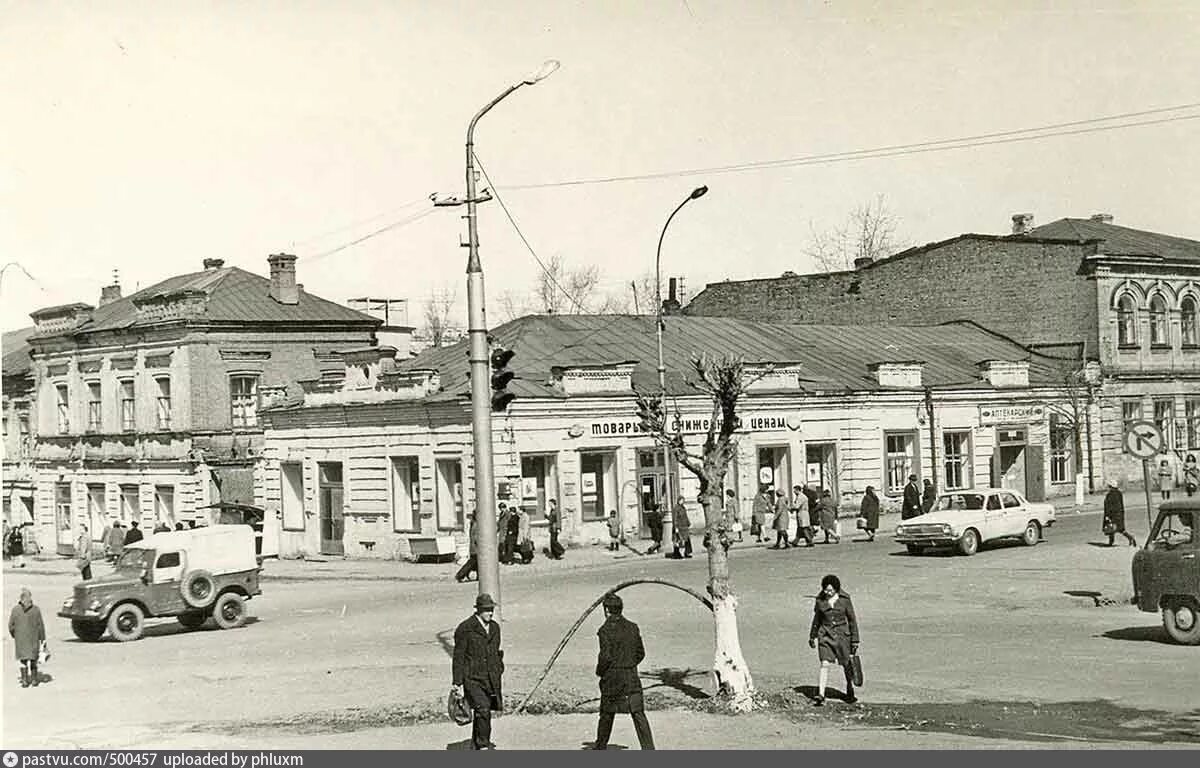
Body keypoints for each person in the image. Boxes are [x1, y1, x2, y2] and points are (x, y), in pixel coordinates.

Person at [593, 593, 655, 750]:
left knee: (607, 714)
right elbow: (640, 653)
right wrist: (629, 665)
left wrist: (600, 672)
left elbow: (605, 657)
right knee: (638, 713)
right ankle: (649, 750)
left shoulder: (605, 630)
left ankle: (600, 747)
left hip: (612, 678)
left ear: (607, 610)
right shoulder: (633, 627)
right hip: (631, 676)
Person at [452, 594, 504, 750]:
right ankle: (483, 746)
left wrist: (499, 668)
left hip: (490, 678)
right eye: (487, 610)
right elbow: (458, 657)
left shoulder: (495, 627)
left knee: (483, 712)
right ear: (478, 610)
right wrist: (457, 682)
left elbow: (496, 651)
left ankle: (475, 746)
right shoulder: (465, 628)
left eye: (491, 609)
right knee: (483, 709)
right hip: (472, 678)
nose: (490, 613)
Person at [808, 574, 860, 706]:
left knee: (846, 664)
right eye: (826, 590)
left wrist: (855, 640)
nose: (828, 592)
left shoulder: (845, 600)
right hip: (825, 635)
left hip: (843, 636)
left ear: (836, 589)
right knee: (824, 663)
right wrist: (812, 636)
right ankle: (821, 693)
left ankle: (849, 687)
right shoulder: (820, 600)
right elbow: (817, 619)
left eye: (831, 590)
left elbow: (852, 620)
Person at [9, 587, 46, 688]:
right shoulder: (36, 610)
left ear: (21, 599)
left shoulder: (15, 610)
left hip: (20, 640)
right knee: (33, 659)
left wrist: (15, 635)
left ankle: (25, 680)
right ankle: (34, 680)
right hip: (33, 639)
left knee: (23, 660)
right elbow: (40, 626)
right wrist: (43, 639)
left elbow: (11, 626)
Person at [1103, 481, 1137, 547]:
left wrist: (1108, 515)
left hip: (1113, 515)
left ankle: (1130, 538)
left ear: (1111, 487)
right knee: (1116, 528)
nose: (1108, 488)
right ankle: (1112, 541)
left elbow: (1110, 506)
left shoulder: (1111, 494)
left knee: (1112, 527)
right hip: (1119, 514)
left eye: (1109, 486)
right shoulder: (1118, 493)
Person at [456, 511, 479, 583]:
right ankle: (460, 575)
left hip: (473, 547)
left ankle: (479, 576)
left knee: (478, 563)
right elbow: (476, 537)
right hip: (476, 548)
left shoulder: (473, 523)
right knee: (472, 563)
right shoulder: (476, 524)